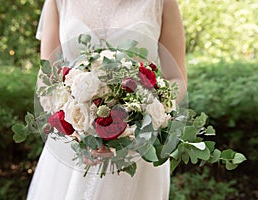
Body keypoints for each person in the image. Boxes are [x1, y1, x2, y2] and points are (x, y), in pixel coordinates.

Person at [27, 0, 187, 199]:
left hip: (138, 149)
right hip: (73, 145)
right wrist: (80, 132)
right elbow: (46, 80)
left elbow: (177, 78)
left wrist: (145, 115)